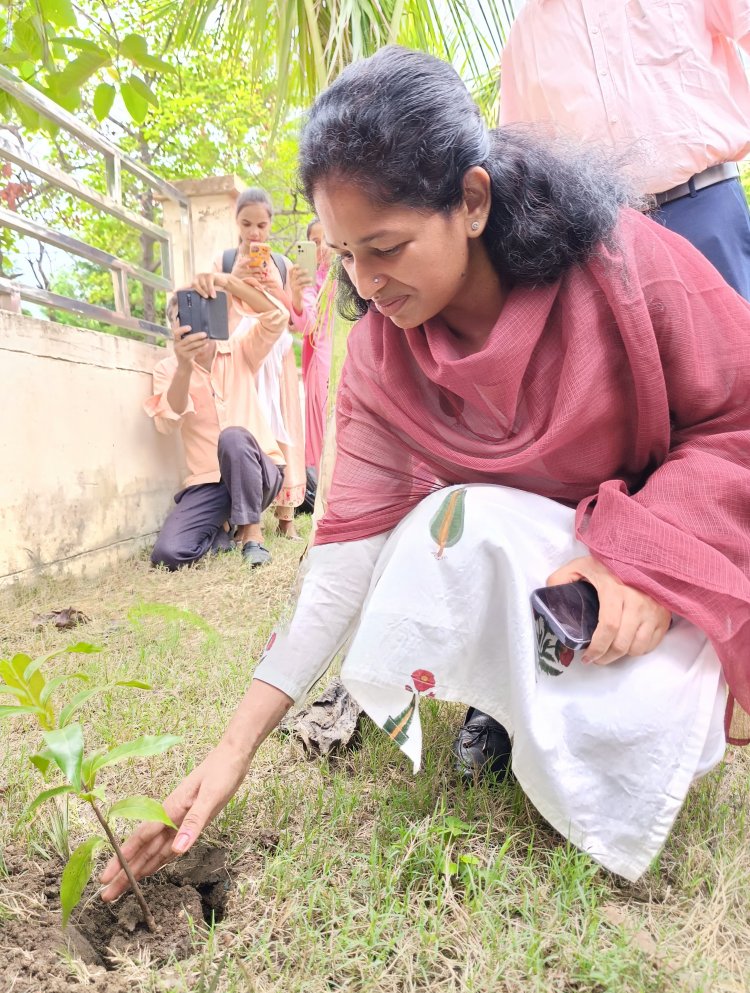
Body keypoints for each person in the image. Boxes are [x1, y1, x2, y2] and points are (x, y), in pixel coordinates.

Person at [101, 47, 750, 898]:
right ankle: (522, 711)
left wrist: (641, 557)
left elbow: (738, 422)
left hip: (667, 559)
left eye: (387, 248)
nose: (367, 286)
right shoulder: (380, 357)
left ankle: (627, 716)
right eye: (345, 256)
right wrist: (225, 759)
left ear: (471, 202)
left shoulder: (624, 266)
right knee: (445, 529)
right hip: (559, 580)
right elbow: (340, 570)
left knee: (641, 701)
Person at [498, 0, 750, 300]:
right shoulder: (528, 31)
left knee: (738, 340)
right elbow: (523, 157)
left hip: (705, 208)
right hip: (608, 241)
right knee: (650, 348)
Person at [147, 273, 290, 569]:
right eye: (182, 316)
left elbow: (277, 316)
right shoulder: (166, 369)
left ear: (214, 316)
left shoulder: (240, 350)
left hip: (259, 471)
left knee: (234, 437)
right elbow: (167, 423)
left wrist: (227, 282)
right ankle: (224, 532)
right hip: (210, 482)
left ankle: (252, 534)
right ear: (172, 327)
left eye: (201, 312)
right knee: (169, 554)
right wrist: (184, 368)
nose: (191, 322)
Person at [215, 187, 306, 538]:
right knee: (244, 431)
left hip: (277, 356)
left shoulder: (281, 263)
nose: (255, 233)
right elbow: (217, 320)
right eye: (247, 224)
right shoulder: (224, 262)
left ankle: (286, 519)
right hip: (239, 357)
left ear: (270, 225)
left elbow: (295, 321)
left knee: (285, 430)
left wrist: (280, 288)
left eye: (262, 226)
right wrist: (233, 281)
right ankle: (241, 515)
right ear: (236, 222)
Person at [288, 217, 335, 472]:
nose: (323, 248)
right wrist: (296, 294)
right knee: (329, 437)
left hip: (352, 363)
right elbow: (308, 324)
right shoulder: (311, 283)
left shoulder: (352, 273)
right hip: (323, 368)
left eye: (327, 238)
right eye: (315, 242)